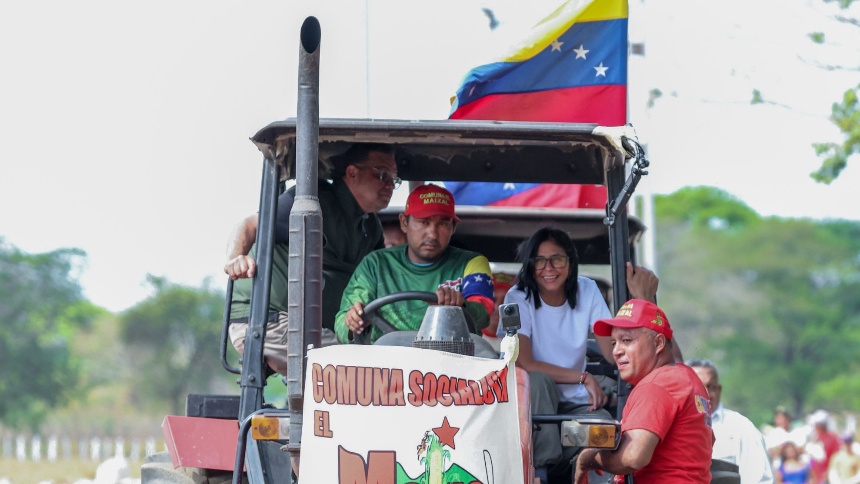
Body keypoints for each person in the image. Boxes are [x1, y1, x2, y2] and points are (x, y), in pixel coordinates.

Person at [497, 227, 660, 484]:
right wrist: (582, 377)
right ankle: (540, 475)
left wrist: (642, 301)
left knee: (606, 431)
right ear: (530, 265)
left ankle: (577, 473)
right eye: (540, 260)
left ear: (571, 262)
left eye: (557, 259)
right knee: (537, 380)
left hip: (573, 414)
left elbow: (612, 352)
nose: (549, 268)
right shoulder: (517, 297)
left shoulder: (587, 290)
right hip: (531, 412)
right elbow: (524, 362)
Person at [224, 143, 399, 374]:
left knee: (391, 357)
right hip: (269, 321)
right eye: (383, 175)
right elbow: (249, 226)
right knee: (361, 370)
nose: (390, 185)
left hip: (315, 328)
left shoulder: (371, 227)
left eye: (394, 179)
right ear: (352, 173)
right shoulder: (312, 201)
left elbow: (379, 281)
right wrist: (236, 259)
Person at [574, 299, 714, 484]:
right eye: (614, 343)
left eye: (626, 341)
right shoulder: (689, 378)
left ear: (658, 343)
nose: (616, 351)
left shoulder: (655, 385)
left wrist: (587, 459)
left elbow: (633, 457)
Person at [335, 183, 494, 343]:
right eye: (424, 222)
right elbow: (343, 322)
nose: (432, 234)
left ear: (453, 227)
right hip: (386, 357)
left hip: (451, 356)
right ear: (404, 223)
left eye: (443, 223)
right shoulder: (375, 264)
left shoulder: (471, 263)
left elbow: (483, 314)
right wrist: (353, 321)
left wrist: (459, 307)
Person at [686, 357, 774, 484]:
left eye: (710, 387)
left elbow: (760, 479)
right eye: (698, 386)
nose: (705, 393)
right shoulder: (673, 427)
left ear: (719, 390)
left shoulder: (741, 427)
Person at [482, 272, 516, 352]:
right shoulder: (469, 337)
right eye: (492, 299)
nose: (497, 307)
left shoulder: (522, 344)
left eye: (505, 301)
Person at [806, 410, 842, 484]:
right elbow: (812, 459)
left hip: (828, 475)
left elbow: (836, 456)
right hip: (815, 475)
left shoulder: (832, 438)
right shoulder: (814, 438)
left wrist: (829, 470)